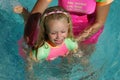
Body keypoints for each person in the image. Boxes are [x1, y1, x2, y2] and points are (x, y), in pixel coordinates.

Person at [24, 0, 114, 65]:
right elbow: (36, 14)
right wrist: (29, 39)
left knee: (79, 61)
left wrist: (73, 41)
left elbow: (99, 22)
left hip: (89, 28)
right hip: (61, 25)